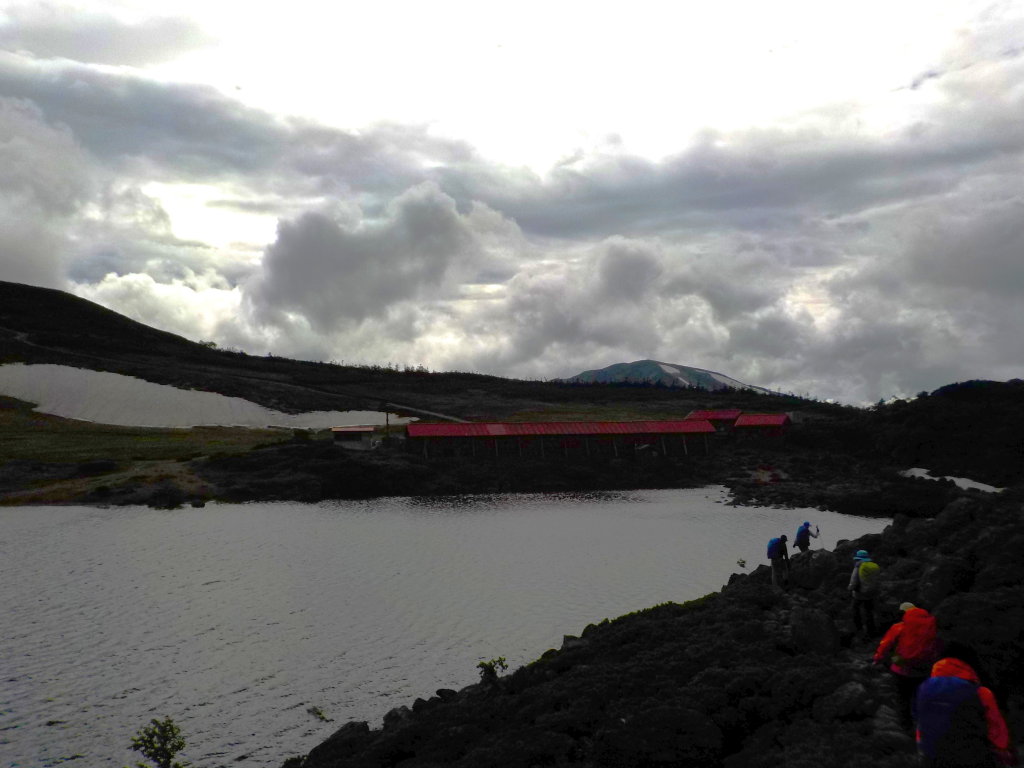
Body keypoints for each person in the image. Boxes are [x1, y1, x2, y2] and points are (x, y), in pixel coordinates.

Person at [915, 643, 1017, 767]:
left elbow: (920, 728)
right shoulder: (981, 692)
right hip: (973, 759)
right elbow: (1000, 739)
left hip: (932, 759)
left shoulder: (923, 689)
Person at [874, 603, 944, 724]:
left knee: (903, 698)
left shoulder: (899, 627)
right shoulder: (932, 626)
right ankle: (922, 723)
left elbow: (886, 644)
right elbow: (938, 646)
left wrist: (877, 659)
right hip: (925, 669)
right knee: (920, 696)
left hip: (902, 668)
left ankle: (905, 724)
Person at [848, 549, 880, 637]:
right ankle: (871, 631)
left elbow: (854, 581)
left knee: (855, 609)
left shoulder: (858, 566)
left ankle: (859, 629)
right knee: (869, 612)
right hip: (871, 593)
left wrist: (850, 589)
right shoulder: (873, 566)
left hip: (859, 594)